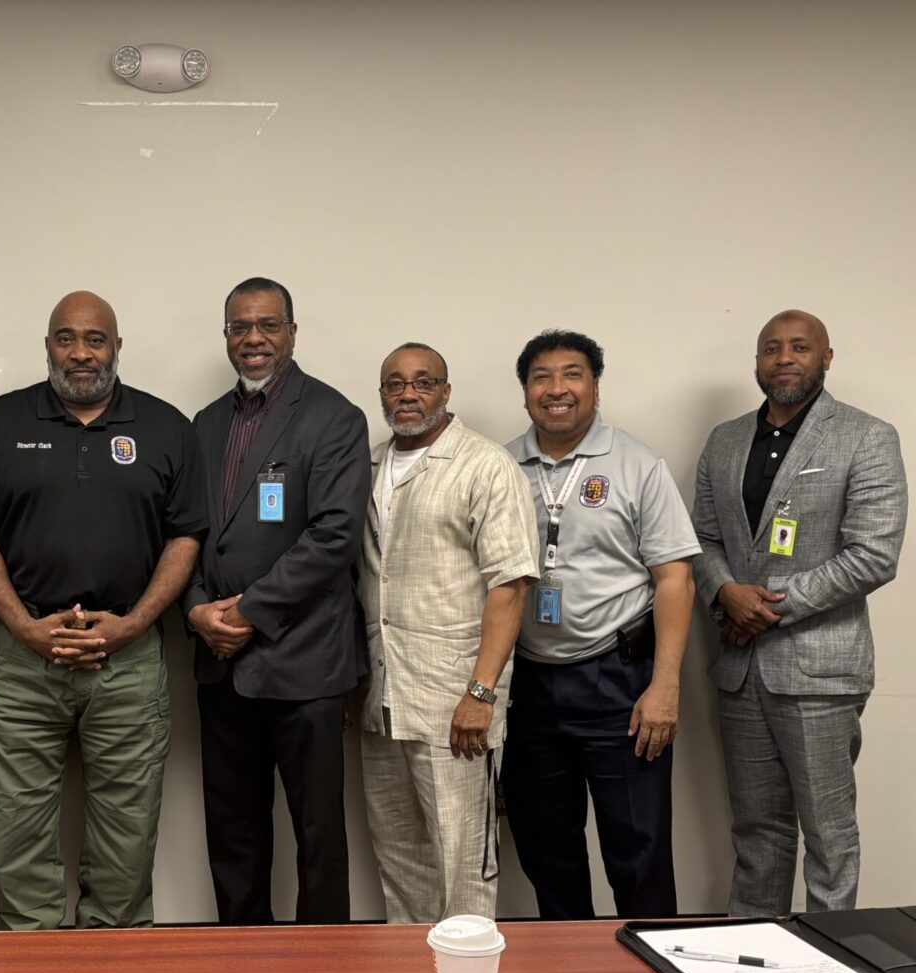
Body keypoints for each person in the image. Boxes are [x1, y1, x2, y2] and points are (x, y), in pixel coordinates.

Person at [0, 290, 205, 930]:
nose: (81, 352)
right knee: (17, 830)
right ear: (48, 347)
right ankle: (32, 971)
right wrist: (20, 625)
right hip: (21, 663)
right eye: (66, 338)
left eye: (95, 339)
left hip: (127, 660)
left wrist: (136, 622)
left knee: (127, 832)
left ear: (117, 348)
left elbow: (185, 537)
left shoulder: (165, 427)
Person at [692, 309, 907, 916]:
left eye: (800, 347)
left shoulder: (867, 436)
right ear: (756, 362)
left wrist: (768, 607)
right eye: (770, 348)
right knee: (757, 833)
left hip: (819, 672)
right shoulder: (726, 440)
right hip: (739, 669)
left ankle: (832, 966)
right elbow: (703, 538)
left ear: (827, 358)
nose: (784, 357)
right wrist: (725, 592)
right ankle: (755, 966)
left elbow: (873, 554)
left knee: (828, 836)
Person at [184, 277, 370, 925]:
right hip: (221, 665)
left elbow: (335, 536)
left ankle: (326, 971)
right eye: (239, 327)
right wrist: (197, 609)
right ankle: (243, 959)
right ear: (227, 337)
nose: (253, 338)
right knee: (232, 831)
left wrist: (247, 613)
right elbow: (189, 533)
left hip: (304, 664)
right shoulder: (206, 424)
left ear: (291, 331)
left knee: (318, 834)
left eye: (267, 325)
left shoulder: (334, 417)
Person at [501, 329, 699, 919]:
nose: (556, 389)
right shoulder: (501, 466)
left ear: (595, 386)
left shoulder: (637, 463)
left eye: (572, 374)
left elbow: (675, 580)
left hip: (621, 681)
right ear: (525, 391)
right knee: (547, 852)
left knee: (637, 851)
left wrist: (664, 686)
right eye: (541, 376)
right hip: (530, 685)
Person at [356, 343, 537, 923]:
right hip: (383, 702)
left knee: (462, 864)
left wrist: (481, 694)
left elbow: (510, 587)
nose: (408, 394)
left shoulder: (484, 465)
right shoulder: (370, 465)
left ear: (446, 392)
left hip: (455, 704)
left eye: (423, 382)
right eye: (394, 384)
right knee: (401, 861)